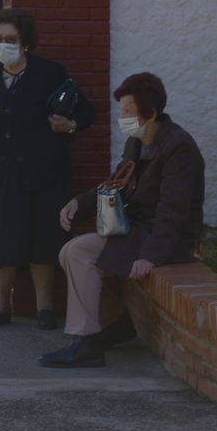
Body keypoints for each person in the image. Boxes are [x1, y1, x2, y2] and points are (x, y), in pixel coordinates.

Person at [42, 72, 205, 369]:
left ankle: (86, 342)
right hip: (136, 231)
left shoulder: (178, 148)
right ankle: (113, 323)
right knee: (69, 251)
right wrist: (78, 204)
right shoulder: (137, 141)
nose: (123, 117)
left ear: (151, 113)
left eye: (128, 112)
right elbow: (115, 183)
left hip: (163, 239)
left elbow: (174, 212)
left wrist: (151, 256)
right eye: (122, 111)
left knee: (78, 252)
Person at [0, 10, 94, 332]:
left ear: (25, 42)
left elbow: (86, 111)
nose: (3, 45)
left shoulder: (50, 74)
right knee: (0, 236)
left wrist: (70, 125)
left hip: (44, 171)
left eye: (10, 39)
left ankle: (44, 306)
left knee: (43, 237)